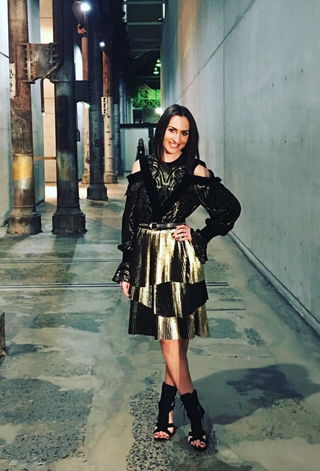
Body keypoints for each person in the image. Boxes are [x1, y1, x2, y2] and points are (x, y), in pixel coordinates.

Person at [113, 104, 241, 452]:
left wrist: (200, 235)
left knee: (175, 342)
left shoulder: (195, 170)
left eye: (184, 133)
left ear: (190, 136)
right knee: (172, 343)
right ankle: (185, 410)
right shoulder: (142, 166)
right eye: (172, 130)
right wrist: (127, 266)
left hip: (179, 259)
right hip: (148, 259)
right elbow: (130, 218)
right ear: (162, 130)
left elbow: (229, 209)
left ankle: (176, 411)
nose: (177, 139)